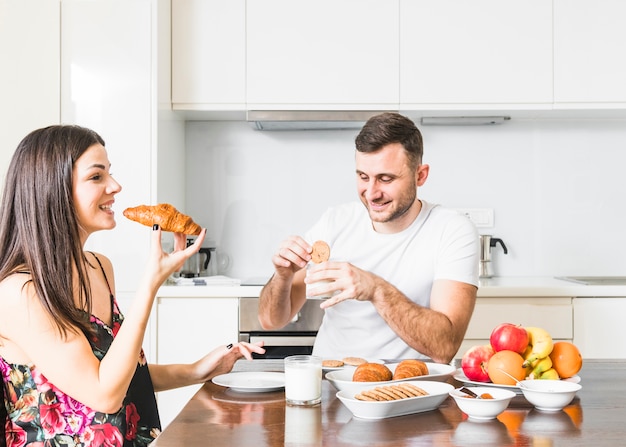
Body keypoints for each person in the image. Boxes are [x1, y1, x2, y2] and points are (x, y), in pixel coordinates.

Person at [0, 125, 265, 447]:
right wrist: (150, 283)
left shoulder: (98, 267)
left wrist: (197, 370)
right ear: (50, 189)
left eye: (110, 173)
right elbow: (104, 393)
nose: (115, 185)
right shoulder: (20, 291)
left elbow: (121, 373)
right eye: (97, 177)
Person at [258, 112, 478, 364]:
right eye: (363, 177)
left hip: (407, 389)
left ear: (420, 175)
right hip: (329, 383)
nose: (372, 193)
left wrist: (375, 288)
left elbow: (445, 346)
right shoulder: (335, 221)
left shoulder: (452, 230)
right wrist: (282, 277)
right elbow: (270, 320)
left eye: (386, 179)